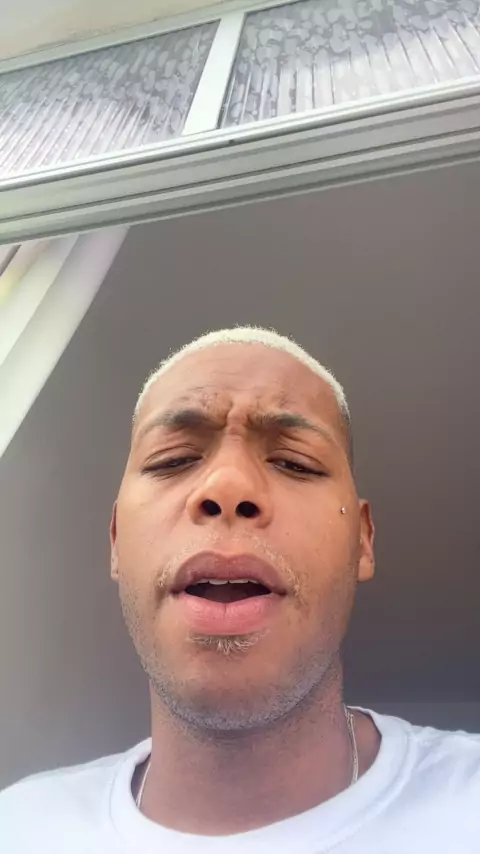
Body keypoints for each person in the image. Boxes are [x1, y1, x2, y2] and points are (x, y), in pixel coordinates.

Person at [1, 325, 479, 852]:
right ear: (116, 540)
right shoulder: (19, 827)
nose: (227, 486)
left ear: (361, 541)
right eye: (172, 459)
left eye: (295, 462)